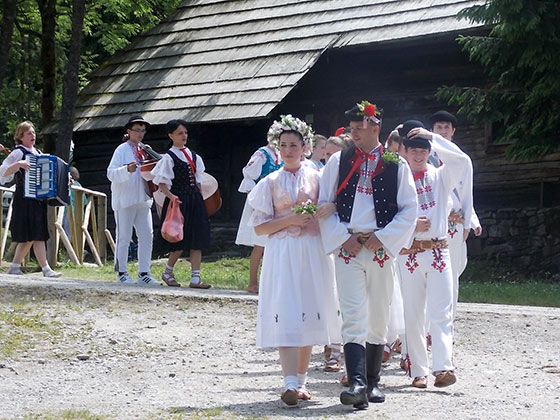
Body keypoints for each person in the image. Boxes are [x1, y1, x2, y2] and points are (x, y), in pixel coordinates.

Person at [319, 101, 418, 409]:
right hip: (348, 248)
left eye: (360, 128)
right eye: (352, 129)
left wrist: (384, 238)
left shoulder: (396, 164)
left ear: (376, 128)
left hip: (378, 249)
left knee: (379, 313)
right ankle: (357, 381)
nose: (355, 134)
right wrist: (341, 238)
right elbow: (324, 204)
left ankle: (373, 381)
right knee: (351, 315)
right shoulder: (338, 161)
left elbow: (409, 209)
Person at [247, 114, 342, 407]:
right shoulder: (269, 182)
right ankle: (289, 382)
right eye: (284, 145)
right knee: (287, 308)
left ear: (305, 147)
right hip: (282, 252)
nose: (289, 150)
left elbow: (334, 206)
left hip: (312, 250)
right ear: (277, 148)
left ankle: (301, 381)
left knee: (310, 309)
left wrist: (323, 211)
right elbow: (259, 227)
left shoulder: (318, 177)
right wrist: (289, 219)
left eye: (294, 145)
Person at [396, 120, 471, 389]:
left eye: (423, 149)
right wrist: (410, 226)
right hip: (409, 253)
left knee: (441, 311)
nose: (418, 154)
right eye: (413, 149)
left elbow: (461, 161)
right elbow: (387, 218)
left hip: (439, 251)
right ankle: (418, 370)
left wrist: (433, 137)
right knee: (414, 313)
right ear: (404, 150)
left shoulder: (440, 176)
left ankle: (443, 367)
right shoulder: (397, 178)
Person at [428, 110, 482, 319]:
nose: (442, 132)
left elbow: (467, 193)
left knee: (451, 273)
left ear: (453, 132)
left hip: (456, 223)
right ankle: (427, 325)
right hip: (432, 221)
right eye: (438, 128)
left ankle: (446, 322)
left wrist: (470, 221)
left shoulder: (461, 158)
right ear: (431, 131)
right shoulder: (424, 155)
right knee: (429, 271)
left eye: (446, 128)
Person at [151, 119, 211, 289]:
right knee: (178, 239)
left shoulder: (193, 155)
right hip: (179, 202)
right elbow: (161, 184)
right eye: (179, 133)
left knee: (197, 238)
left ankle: (195, 279)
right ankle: (168, 271)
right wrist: (172, 197)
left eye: (185, 132)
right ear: (171, 135)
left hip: (194, 200)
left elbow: (198, 180)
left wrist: (200, 197)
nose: (184, 136)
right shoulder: (168, 158)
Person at [0, 121, 61, 277]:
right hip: (24, 198)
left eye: (33, 133)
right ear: (21, 137)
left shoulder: (38, 153)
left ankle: (16, 267)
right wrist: (18, 164)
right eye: (29, 133)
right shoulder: (18, 152)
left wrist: (64, 179)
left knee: (36, 234)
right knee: (32, 234)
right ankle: (45, 270)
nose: (33, 135)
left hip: (37, 199)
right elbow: (3, 172)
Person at [106, 116, 161, 286]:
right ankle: (122, 272)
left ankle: (144, 272)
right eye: (137, 130)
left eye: (143, 130)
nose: (140, 133)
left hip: (143, 199)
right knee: (124, 236)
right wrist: (126, 170)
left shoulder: (145, 149)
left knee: (146, 235)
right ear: (129, 131)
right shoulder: (121, 149)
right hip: (125, 199)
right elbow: (110, 173)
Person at [235, 139, 282, 294]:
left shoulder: (281, 155)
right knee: (260, 244)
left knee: (275, 243)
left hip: (277, 201)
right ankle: (253, 282)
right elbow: (249, 175)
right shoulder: (262, 153)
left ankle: (272, 281)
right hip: (262, 201)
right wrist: (256, 199)